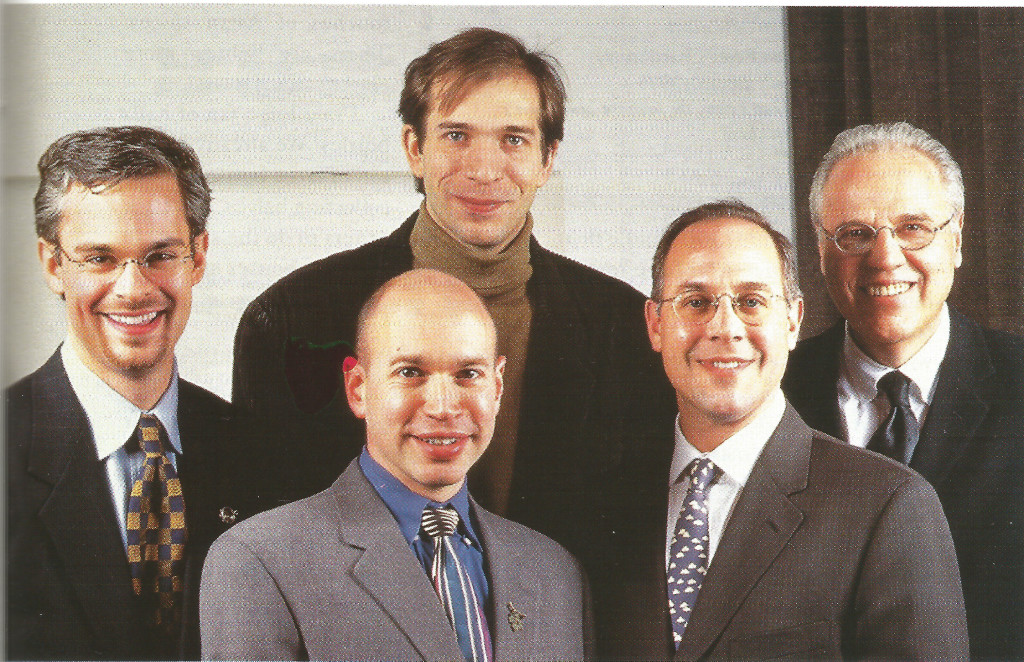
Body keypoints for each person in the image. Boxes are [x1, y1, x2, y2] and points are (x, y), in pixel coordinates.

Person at [230, 28, 676, 563]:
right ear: (414, 149)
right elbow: (271, 559)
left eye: (514, 139)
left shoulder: (624, 333)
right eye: (456, 136)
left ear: (547, 160)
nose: (484, 170)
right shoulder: (291, 324)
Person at [597, 201, 967, 660]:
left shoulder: (888, 506)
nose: (725, 327)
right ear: (655, 325)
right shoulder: (605, 503)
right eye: (696, 302)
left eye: (752, 302)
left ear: (792, 321)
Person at [201, 269, 591, 661]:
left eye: (468, 374)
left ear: (498, 388)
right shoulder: (260, 561)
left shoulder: (556, 574)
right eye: (410, 373)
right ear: (358, 389)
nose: (442, 407)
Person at [6, 126, 257, 660]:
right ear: (53, 265)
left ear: (199, 256)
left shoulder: (254, 449)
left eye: (160, 255)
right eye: (99, 258)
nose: (133, 287)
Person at [782, 121, 1024, 660]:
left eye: (913, 228)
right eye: (855, 233)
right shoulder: (772, 396)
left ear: (957, 239)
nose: (886, 258)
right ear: (821, 249)